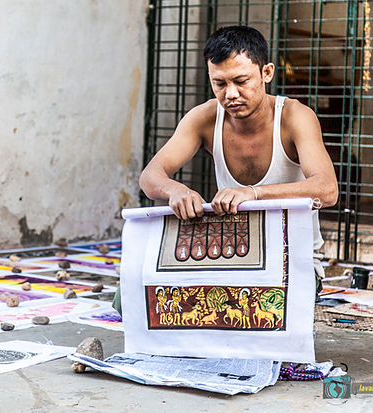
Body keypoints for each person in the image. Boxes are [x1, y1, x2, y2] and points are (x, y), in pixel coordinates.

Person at [139, 26, 338, 298]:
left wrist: (253, 194)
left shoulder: (295, 116)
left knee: (252, 306)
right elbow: (150, 177)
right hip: (229, 257)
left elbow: (327, 189)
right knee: (135, 297)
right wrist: (176, 191)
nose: (230, 94)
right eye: (219, 84)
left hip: (291, 262)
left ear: (266, 73)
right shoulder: (204, 117)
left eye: (241, 81)